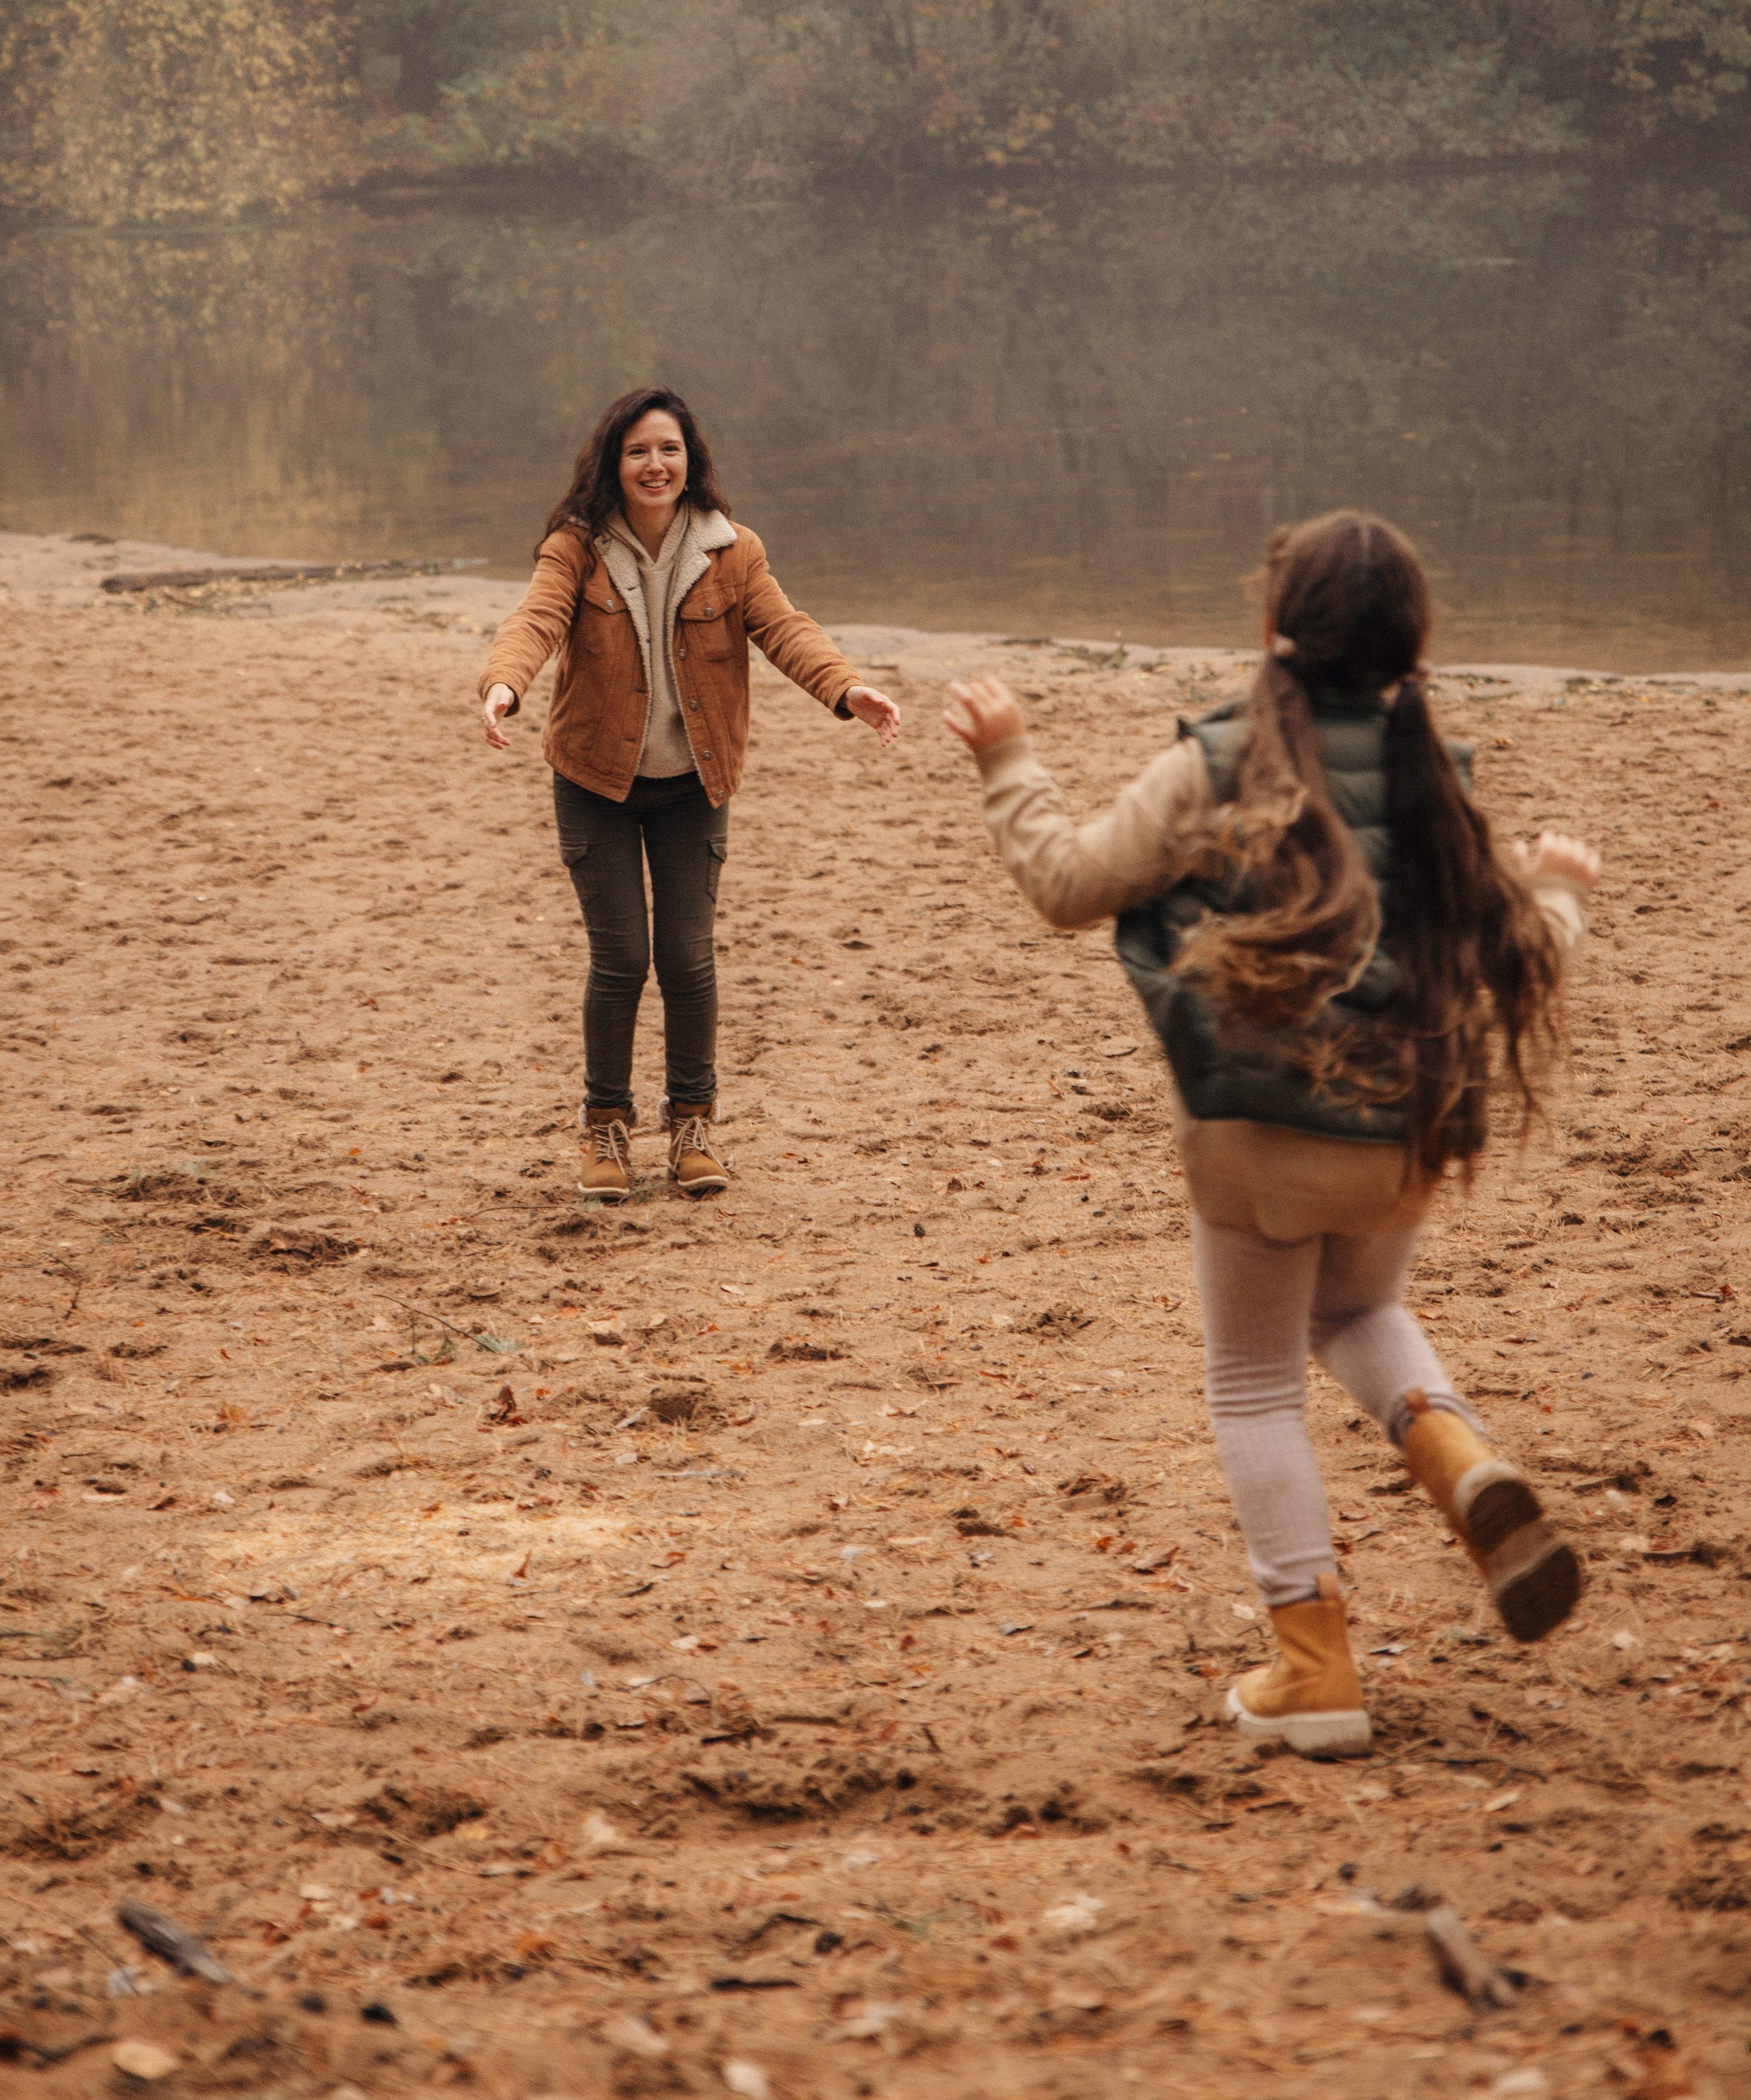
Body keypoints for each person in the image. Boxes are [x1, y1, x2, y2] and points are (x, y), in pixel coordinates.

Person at [943, 510, 1598, 1755]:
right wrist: (1561, 887)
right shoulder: (1437, 777)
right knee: (1356, 1309)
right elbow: (1516, 953)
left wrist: (1008, 757)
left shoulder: (1218, 765)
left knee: (1253, 1388)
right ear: (1415, 646)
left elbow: (1069, 885)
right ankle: (1457, 1455)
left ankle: (1315, 1668)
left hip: (1255, 1140)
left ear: (1270, 627)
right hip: (1402, 1137)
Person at [479, 387, 901, 1198]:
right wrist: (504, 685)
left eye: (667, 449)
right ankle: (606, 1131)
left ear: (690, 459)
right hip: (594, 781)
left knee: (686, 956)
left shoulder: (731, 550)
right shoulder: (576, 547)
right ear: (613, 462)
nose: (654, 465)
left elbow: (784, 628)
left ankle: (692, 1127)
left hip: (693, 784)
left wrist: (847, 690)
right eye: (638, 450)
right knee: (621, 959)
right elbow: (535, 620)